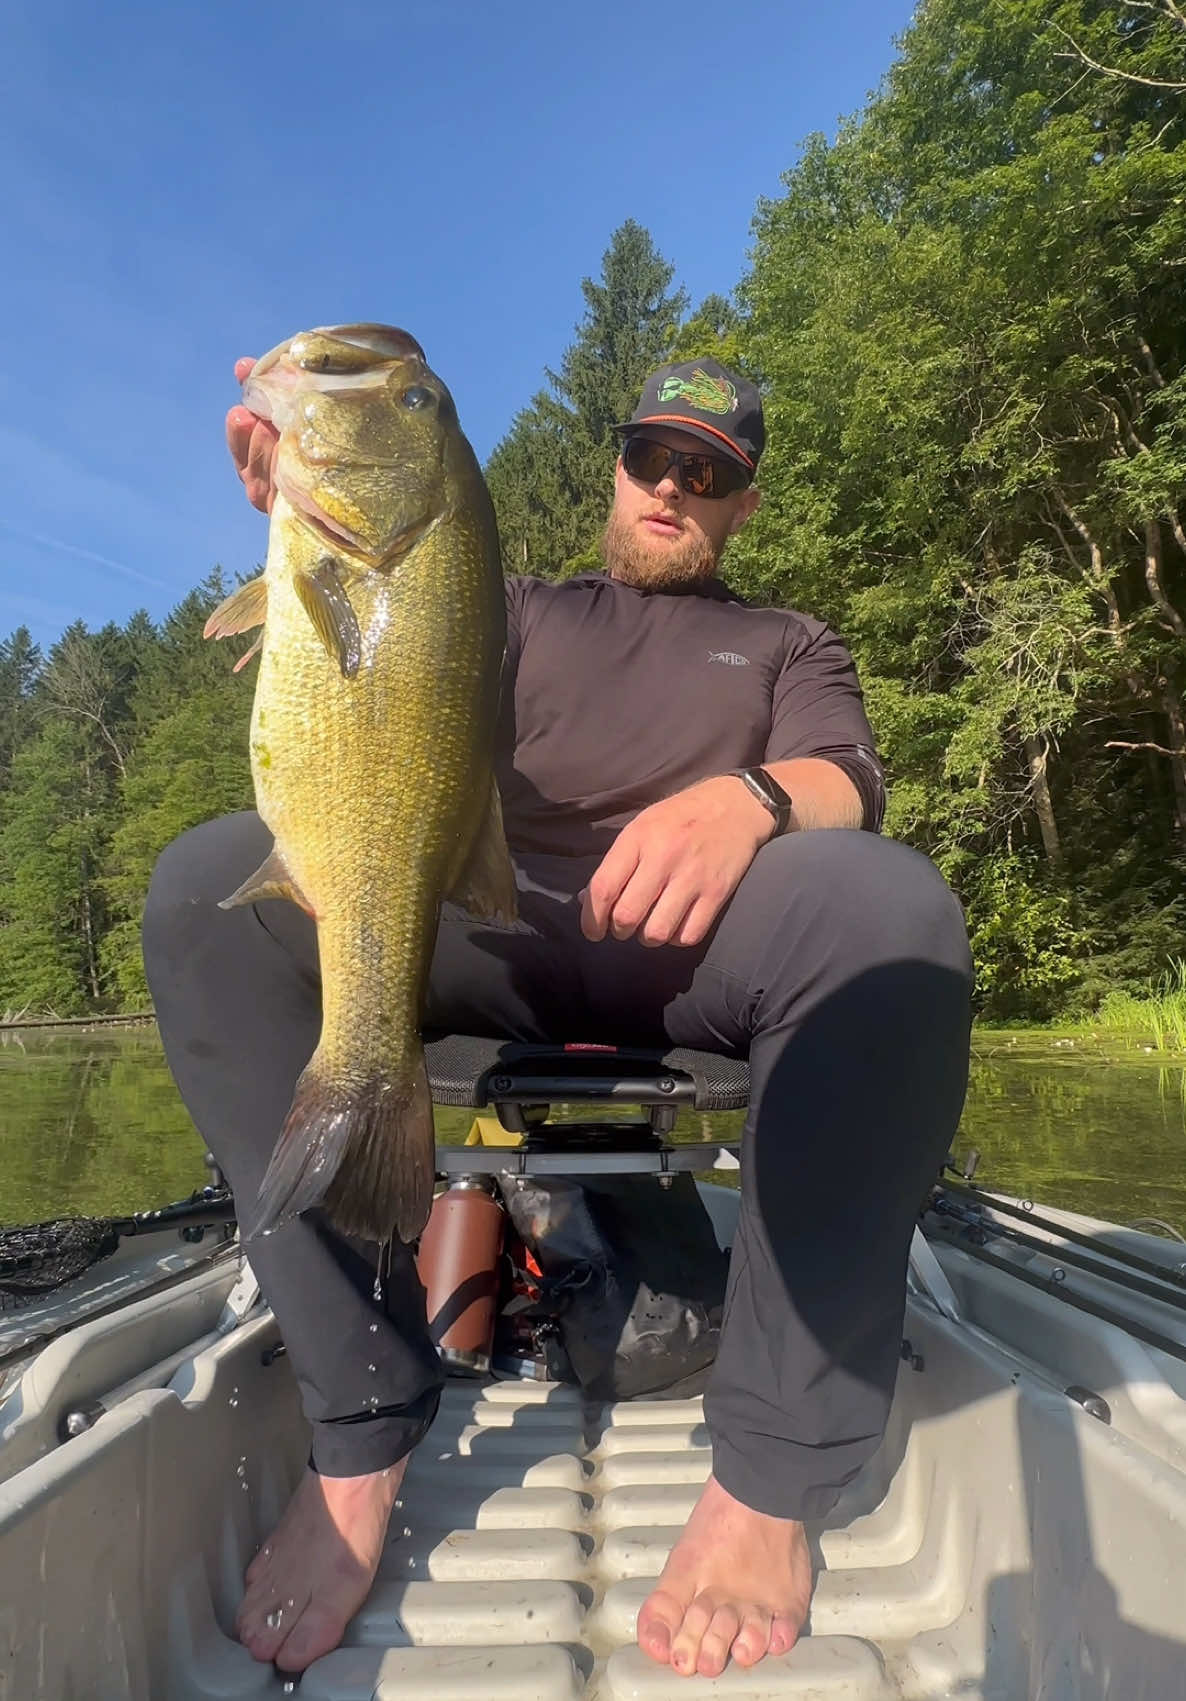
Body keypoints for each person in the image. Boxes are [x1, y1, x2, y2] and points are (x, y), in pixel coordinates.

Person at [142, 353, 974, 1681]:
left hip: (699, 952)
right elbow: (362, 645)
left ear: (743, 504)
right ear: (616, 460)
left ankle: (768, 1480)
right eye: (654, 454)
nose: (673, 488)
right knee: (201, 892)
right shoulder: (501, 599)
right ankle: (360, 1430)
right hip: (475, 922)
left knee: (889, 903)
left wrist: (754, 800)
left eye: (710, 472)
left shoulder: (784, 641)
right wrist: (292, 511)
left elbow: (850, 779)